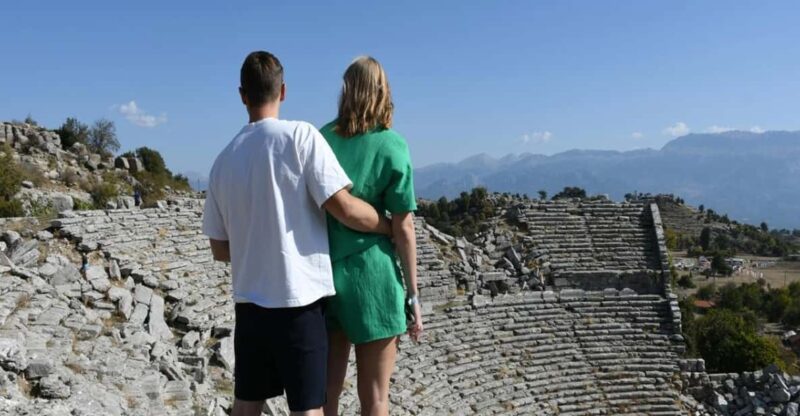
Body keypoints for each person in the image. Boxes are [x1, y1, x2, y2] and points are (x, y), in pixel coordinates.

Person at [202, 51, 392, 416]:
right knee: (307, 408)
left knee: (246, 404)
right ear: (283, 91)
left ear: (242, 94)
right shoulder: (301, 136)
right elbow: (345, 208)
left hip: (250, 307)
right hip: (299, 304)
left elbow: (219, 248)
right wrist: (389, 227)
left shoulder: (222, 161)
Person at [321, 56, 423, 416]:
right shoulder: (393, 145)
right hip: (375, 278)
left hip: (326, 273)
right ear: (382, 91)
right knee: (376, 396)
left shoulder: (322, 140)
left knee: (325, 392)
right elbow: (404, 227)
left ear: (346, 91)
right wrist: (413, 296)